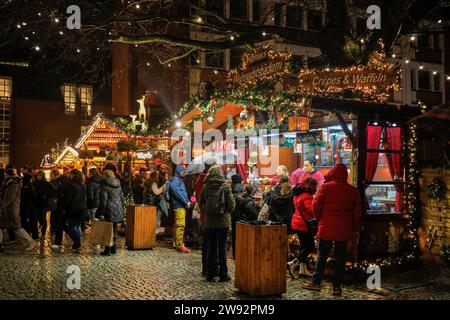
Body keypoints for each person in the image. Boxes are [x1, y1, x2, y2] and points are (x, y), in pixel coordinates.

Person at [303, 164, 362, 296]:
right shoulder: (353, 190)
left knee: (322, 256)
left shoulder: (325, 187)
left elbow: (316, 207)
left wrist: (320, 219)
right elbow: (357, 212)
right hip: (344, 230)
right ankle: (337, 287)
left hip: (326, 228)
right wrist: (354, 227)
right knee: (340, 258)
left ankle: (316, 282)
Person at [199, 165, 235, 282]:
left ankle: (210, 273)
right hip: (223, 222)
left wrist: (208, 212)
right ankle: (223, 274)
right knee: (222, 247)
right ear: (220, 173)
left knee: (212, 247)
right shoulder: (225, 187)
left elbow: (201, 203)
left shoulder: (206, 186)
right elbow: (231, 206)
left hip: (209, 222)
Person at [288, 177, 318, 278]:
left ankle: (303, 270)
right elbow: (312, 210)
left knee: (304, 247)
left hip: (297, 222)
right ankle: (293, 263)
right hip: (304, 224)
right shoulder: (307, 196)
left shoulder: (298, 194)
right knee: (310, 247)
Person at [0, 168, 35, 252]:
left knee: (16, 227)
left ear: (8, 174)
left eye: (5, 174)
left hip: (11, 209)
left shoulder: (13, 183)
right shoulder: (10, 182)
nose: (4, 176)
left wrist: (3, 205)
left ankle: (30, 242)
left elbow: (11, 197)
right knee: (3, 226)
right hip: (8, 208)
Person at [194, 162, 214, 275]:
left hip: (204, 214)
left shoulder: (200, 180)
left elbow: (199, 198)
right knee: (213, 243)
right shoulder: (208, 182)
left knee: (207, 242)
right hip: (213, 217)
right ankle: (212, 267)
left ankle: (205, 268)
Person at [98, 169, 124, 256]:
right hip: (117, 209)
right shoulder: (118, 184)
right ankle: (114, 248)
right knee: (114, 229)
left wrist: (101, 212)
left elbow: (103, 200)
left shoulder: (104, 185)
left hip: (108, 209)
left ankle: (107, 250)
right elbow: (122, 198)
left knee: (107, 230)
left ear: (105, 175)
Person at [61, 169, 88, 253]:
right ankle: (76, 245)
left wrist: (64, 209)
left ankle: (78, 244)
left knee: (72, 227)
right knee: (77, 226)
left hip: (73, 209)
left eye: (70, 174)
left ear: (73, 175)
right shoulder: (82, 185)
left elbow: (67, 199)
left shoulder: (70, 185)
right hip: (82, 209)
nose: (69, 175)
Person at [167, 165, 191, 253]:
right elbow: (178, 193)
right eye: (183, 171)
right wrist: (186, 202)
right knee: (180, 225)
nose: (184, 173)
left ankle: (176, 243)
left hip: (180, 205)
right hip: (179, 206)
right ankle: (180, 245)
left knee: (177, 225)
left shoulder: (178, 180)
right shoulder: (176, 181)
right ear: (178, 171)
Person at [51, 170, 71, 250]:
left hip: (62, 207)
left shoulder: (62, 182)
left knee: (60, 224)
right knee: (62, 225)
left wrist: (58, 199)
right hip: (62, 207)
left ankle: (58, 242)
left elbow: (63, 196)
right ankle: (75, 240)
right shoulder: (64, 181)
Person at [34, 170, 51, 239]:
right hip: (36, 204)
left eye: (40, 175)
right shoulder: (34, 183)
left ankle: (43, 233)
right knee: (37, 218)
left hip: (44, 204)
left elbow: (50, 192)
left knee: (43, 219)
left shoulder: (46, 183)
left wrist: (45, 196)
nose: (39, 177)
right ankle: (38, 230)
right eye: (38, 175)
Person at [230, 174, 244, 260]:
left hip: (233, 215)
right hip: (242, 215)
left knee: (234, 234)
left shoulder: (229, 188)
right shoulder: (244, 188)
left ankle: (235, 254)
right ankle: (242, 253)